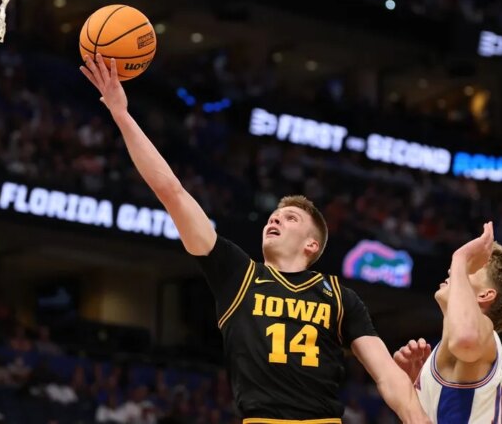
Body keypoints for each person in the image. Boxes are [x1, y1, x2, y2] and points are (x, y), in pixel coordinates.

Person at [80, 54, 430, 423]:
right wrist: (122, 114)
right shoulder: (238, 275)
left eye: (290, 218)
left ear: (311, 245)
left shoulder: (340, 297)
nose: (275, 219)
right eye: (274, 216)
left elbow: (389, 377)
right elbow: (173, 192)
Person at [393, 223, 502, 423]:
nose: (452, 271)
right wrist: (414, 390)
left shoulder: (485, 330)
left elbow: (465, 340)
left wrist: (460, 258)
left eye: (470, 269)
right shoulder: (452, 351)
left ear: (485, 295)